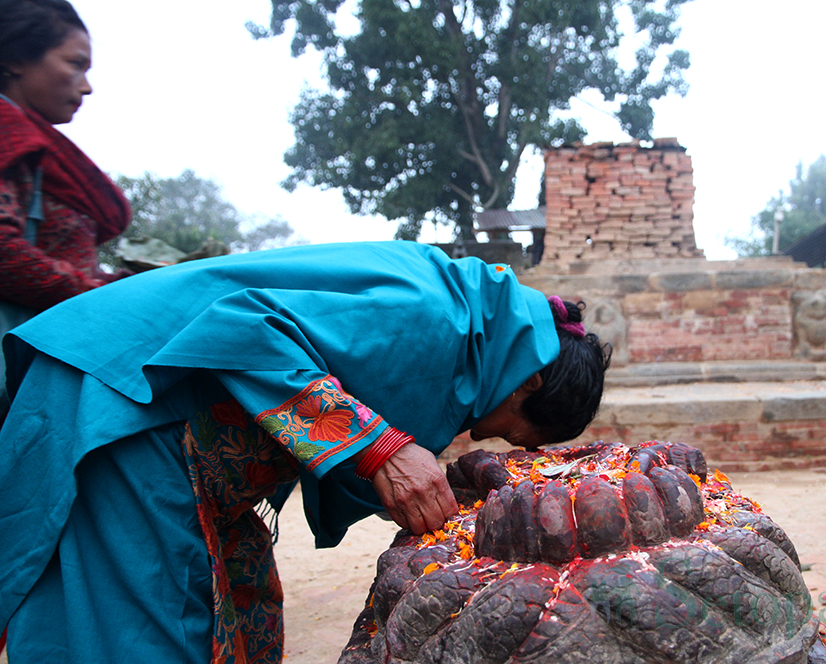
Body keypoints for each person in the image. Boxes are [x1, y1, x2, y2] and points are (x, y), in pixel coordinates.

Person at [0, 241, 610, 663]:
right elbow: (244, 325)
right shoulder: (433, 312)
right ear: (529, 378)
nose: (481, 437)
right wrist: (380, 447)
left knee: (240, 616)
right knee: (142, 636)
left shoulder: (469, 331)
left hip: (176, 439)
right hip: (128, 403)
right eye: (508, 430)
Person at [0, 0, 131, 410]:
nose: (87, 86)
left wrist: (109, 282)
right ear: (18, 59)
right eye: (75, 64)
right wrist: (95, 293)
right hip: (23, 370)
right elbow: (3, 254)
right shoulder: (8, 135)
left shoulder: (31, 145)